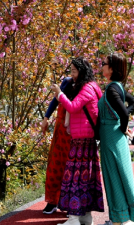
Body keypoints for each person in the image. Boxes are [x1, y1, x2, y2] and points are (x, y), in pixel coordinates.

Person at [51, 58, 104, 225]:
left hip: (82, 139)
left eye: (74, 71)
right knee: (86, 179)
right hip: (86, 140)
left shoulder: (87, 88)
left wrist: (59, 94)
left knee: (74, 179)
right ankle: (86, 216)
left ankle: (73, 218)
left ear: (81, 71)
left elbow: (73, 107)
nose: (72, 75)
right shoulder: (93, 86)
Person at [99, 53, 134, 225]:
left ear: (112, 68)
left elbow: (124, 113)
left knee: (113, 178)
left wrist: (122, 127)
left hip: (111, 139)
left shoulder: (112, 89)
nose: (101, 65)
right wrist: (121, 126)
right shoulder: (117, 87)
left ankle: (117, 220)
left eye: (104, 63)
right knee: (119, 177)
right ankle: (119, 218)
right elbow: (132, 103)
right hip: (115, 138)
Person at [41, 77, 74, 215]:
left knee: (72, 166)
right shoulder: (67, 81)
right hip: (61, 127)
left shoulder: (85, 84)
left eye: (75, 69)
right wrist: (46, 118)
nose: (73, 72)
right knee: (55, 164)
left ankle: (70, 203)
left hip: (75, 129)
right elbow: (55, 100)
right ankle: (53, 201)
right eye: (71, 69)